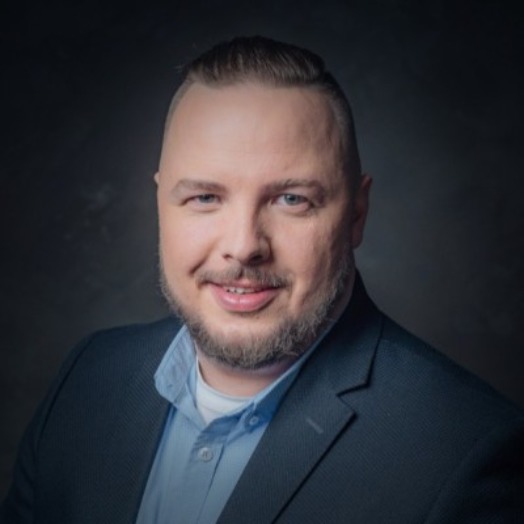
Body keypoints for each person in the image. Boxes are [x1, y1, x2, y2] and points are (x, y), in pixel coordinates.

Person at [2, 36, 523, 524]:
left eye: (291, 199)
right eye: (205, 197)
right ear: (161, 202)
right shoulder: (90, 376)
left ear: (357, 214)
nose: (245, 245)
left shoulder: (467, 455)